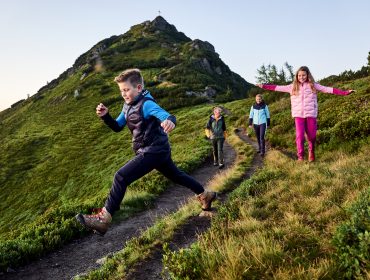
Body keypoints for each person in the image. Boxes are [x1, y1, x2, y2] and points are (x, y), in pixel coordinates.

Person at [76, 69, 217, 235]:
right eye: (121, 91)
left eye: (127, 90)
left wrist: (170, 121)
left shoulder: (147, 104)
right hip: (156, 150)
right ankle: (205, 194)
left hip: (154, 150)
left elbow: (166, 115)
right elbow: (117, 126)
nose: (124, 94)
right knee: (177, 175)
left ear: (139, 87)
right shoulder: (127, 106)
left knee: (121, 176)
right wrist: (106, 116)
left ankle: (104, 218)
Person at [257, 66, 355, 162]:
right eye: (299, 75)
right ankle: (300, 157)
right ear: (296, 76)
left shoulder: (313, 85)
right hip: (298, 115)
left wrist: (345, 92)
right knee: (299, 136)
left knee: (312, 136)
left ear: (308, 75)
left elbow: (328, 89)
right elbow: (277, 87)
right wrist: (264, 86)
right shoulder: (292, 87)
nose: (301, 77)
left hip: (311, 114)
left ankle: (311, 151)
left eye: (303, 75)